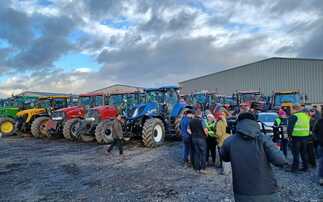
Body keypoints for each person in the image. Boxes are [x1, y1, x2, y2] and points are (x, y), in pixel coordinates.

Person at [221, 112, 287, 202]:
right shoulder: (263, 139)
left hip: (242, 192)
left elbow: (224, 157)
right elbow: (280, 160)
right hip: (267, 190)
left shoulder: (229, 141)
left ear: (238, 123)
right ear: (255, 122)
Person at [287, 105, 311, 172]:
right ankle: (305, 167)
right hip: (305, 137)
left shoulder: (294, 116)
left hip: (296, 137)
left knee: (296, 153)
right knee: (304, 153)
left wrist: (289, 137)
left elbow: (289, 128)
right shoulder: (306, 116)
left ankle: (295, 168)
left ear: (294, 109)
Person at [313, 116, 323, 186]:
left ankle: (321, 178)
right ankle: (321, 179)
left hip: (320, 144)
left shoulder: (319, 121)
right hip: (321, 145)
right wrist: (317, 140)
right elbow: (314, 131)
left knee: (321, 162)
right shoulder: (319, 121)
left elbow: (314, 132)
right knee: (321, 162)